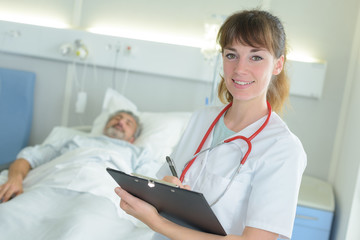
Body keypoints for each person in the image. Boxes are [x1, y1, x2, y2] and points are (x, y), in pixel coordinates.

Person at [115, 9, 307, 240]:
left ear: (278, 65)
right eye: (231, 55)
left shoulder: (283, 148)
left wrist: (157, 223)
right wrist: (167, 187)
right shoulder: (201, 118)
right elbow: (169, 177)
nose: (239, 69)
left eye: (256, 57)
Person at [0, 110, 142, 203]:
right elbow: (29, 157)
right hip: (53, 184)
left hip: (101, 195)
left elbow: (149, 185)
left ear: (132, 139)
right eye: (118, 118)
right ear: (105, 126)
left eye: (128, 123)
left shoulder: (137, 154)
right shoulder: (75, 140)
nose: (120, 122)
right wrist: (15, 179)